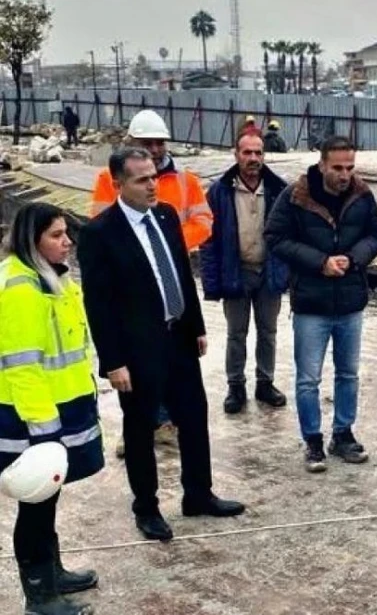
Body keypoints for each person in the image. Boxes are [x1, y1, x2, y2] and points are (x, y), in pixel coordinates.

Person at [77, 147, 245, 542]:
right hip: (137, 351)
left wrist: (196, 325)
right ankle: (147, 508)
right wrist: (113, 362)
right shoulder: (100, 233)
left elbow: (182, 275)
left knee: (193, 417)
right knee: (140, 429)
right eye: (141, 179)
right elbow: (97, 304)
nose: (152, 184)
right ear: (119, 184)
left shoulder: (167, 216)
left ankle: (198, 494)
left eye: (153, 176)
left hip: (179, 339)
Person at [89, 109, 213, 456]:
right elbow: (103, 227)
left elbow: (203, 222)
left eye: (160, 142)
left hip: (174, 286)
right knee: (142, 404)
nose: (156, 148)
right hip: (136, 304)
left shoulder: (183, 183)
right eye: (148, 142)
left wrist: (170, 245)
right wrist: (112, 361)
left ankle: (196, 487)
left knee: (191, 406)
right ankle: (149, 442)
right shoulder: (109, 180)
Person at [0, 203, 104, 615]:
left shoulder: (50, 279)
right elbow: (21, 364)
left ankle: (53, 571)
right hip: (33, 416)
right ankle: (40, 595)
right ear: (32, 241)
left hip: (62, 404)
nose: (67, 243)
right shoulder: (21, 288)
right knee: (36, 503)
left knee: (49, 496)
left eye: (67, 234)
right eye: (57, 235)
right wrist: (43, 427)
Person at [264, 136, 377, 473]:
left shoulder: (362, 195)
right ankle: (313, 441)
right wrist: (320, 262)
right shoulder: (296, 197)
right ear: (322, 165)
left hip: (350, 301)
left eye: (349, 167)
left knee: (348, 373)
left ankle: (343, 434)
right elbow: (275, 238)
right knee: (308, 379)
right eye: (337, 167)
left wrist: (353, 259)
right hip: (311, 304)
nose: (344, 174)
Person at [199, 132, 289, 414]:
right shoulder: (219, 191)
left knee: (268, 331)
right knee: (236, 333)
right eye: (247, 153)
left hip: (268, 272)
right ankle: (235, 385)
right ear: (235, 154)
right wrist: (213, 283)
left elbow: (290, 233)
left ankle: (265, 382)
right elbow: (208, 239)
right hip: (236, 272)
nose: (253, 159)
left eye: (258, 153)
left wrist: (286, 273)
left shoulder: (279, 189)